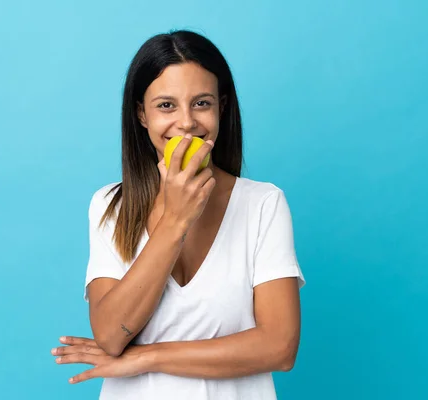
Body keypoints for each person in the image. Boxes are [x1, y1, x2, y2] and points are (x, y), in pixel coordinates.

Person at [51, 29, 306, 399]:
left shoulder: (263, 204)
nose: (186, 123)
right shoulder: (110, 206)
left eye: (201, 103)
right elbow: (109, 335)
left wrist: (144, 358)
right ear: (141, 114)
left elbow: (279, 348)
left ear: (222, 107)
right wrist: (175, 220)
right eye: (166, 105)